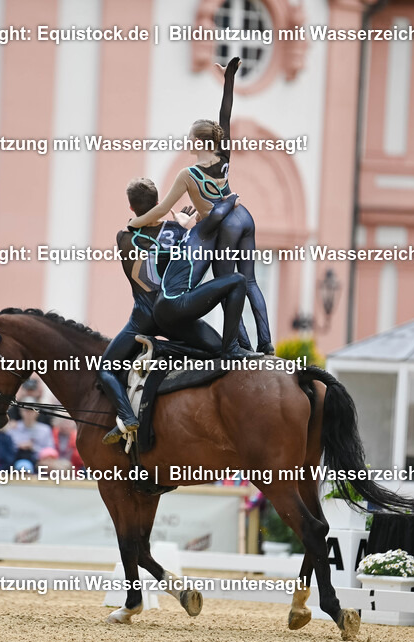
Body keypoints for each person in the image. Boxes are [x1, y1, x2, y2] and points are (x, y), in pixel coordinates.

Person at [127, 57, 272, 354]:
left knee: (227, 285)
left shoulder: (188, 175)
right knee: (252, 281)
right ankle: (267, 342)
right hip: (244, 216)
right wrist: (229, 77)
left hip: (224, 224)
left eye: (191, 138)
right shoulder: (223, 152)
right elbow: (226, 112)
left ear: (200, 142)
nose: (188, 141)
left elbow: (160, 208)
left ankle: (240, 344)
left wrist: (135, 223)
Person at [99, 177, 223, 444]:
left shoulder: (123, 238)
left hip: (141, 321)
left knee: (106, 370)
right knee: (221, 351)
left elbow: (142, 232)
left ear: (131, 209)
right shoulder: (180, 233)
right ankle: (167, 350)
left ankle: (127, 416)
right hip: (174, 318)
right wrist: (181, 227)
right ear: (159, 203)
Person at [152, 193, 256, 361]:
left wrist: (182, 224)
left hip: (165, 311)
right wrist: (231, 199)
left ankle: (160, 347)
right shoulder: (203, 230)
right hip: (175, 303)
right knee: (238, 280)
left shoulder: (190, 234)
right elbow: (217, 214)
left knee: (216, 350)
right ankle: (232, 348)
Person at [8, 398, 54, 466]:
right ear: (21, 412)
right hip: (15, 460)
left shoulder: (45, 429)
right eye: (26, 410)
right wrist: (18, 446)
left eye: (31, 410)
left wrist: (33, 447)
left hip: (39, 462)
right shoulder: (13, 428)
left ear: (37, 412)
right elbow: (7, 448)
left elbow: (50, 450)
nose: (29, 413)